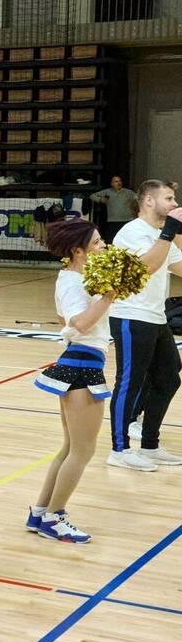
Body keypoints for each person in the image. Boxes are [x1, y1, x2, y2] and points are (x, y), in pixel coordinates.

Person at [30, 219, 116, 542]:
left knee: (70, 448)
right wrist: (108, 297)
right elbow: (78, 323)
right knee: (82, 451)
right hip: (82, 366)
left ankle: (41, 511)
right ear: (78, 251)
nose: (103, 245)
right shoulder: (70, 281)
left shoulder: (78, 277)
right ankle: (56, 516)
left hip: (83, 362)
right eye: (96, 243)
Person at [103, 183, 182, 470]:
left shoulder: (161, 234)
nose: (175, 203)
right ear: (149, 200)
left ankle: (149, 444)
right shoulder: (133, 232)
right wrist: (170, 231)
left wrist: (174, 233)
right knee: (129, 381)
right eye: (169, 198)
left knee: (169, 376)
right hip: (131, 316)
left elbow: (178, 266)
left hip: (156, 316)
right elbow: (147, 266)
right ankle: (119, 450)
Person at [89, 174, 137, 244]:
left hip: (127, 220)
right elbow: (92, 196)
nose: (119, 183)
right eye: (116, 181)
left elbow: (138, 199)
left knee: (127, 240)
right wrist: (100, 200)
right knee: (111, 240)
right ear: (112, 184)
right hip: (112, 220)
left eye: (120, 181)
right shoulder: (107, 192)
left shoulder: (128, 192)